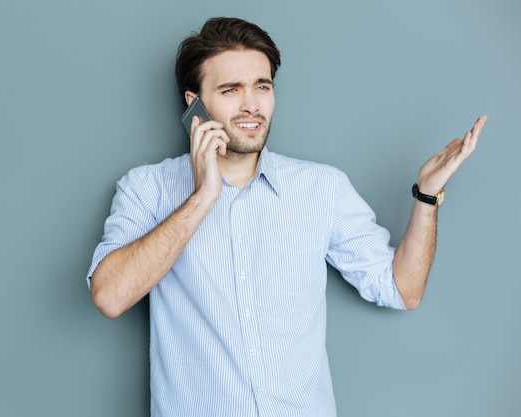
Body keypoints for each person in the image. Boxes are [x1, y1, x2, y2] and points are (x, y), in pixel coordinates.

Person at [87, 16, 487, 417]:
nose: (251, 104)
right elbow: (110, 296)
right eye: (230, 90)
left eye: (262, 86)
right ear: (194, 104)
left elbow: (402, 290)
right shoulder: (146, 188)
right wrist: (204, 196)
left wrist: (426, 196)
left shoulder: (321, 188)